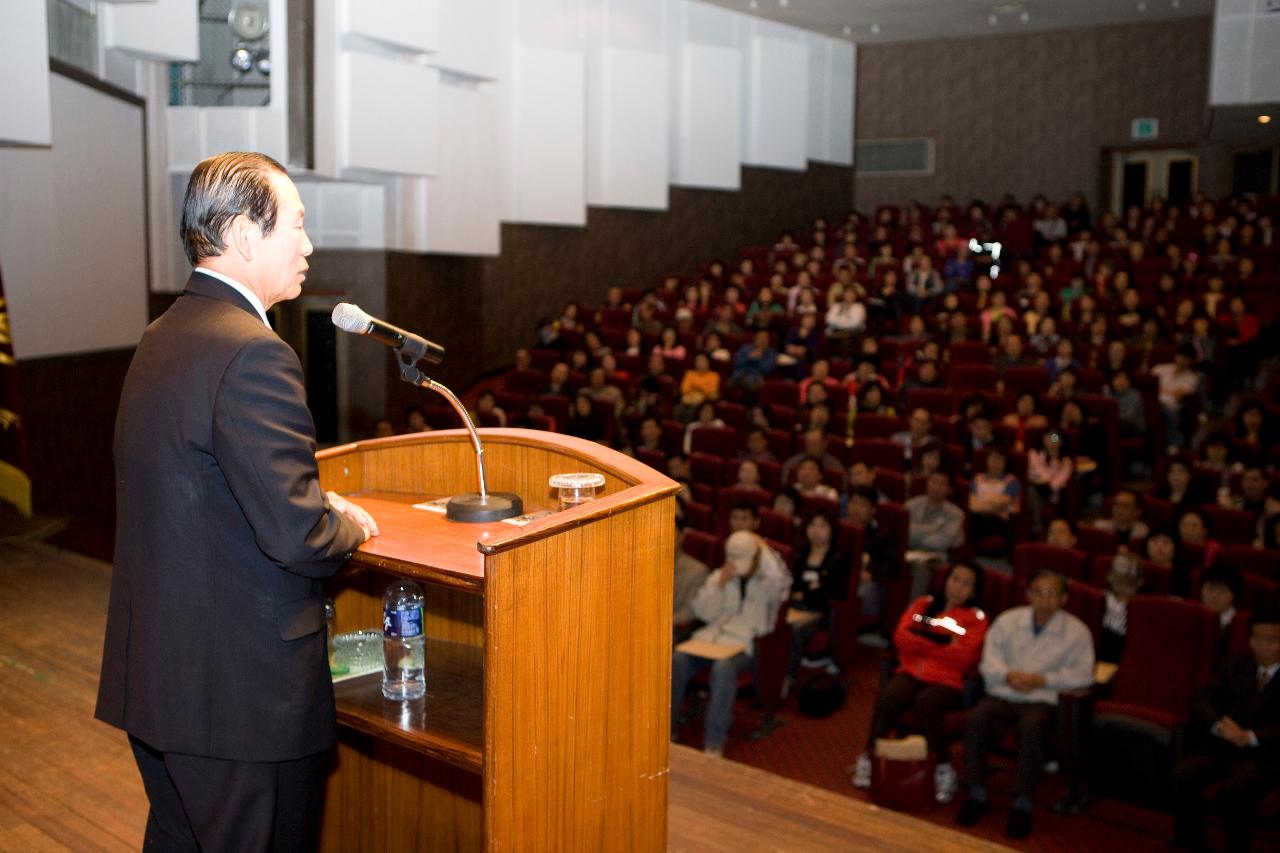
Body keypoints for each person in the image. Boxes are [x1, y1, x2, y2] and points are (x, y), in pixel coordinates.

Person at [96, 152, 379, 852]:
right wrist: (345, 523)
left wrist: (301, 504)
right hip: (240, 703)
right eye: (298, 227)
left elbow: (201, 495)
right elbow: (300, 538)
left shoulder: (161, 336)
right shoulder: (255, 351)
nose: (309, 247)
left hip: (162, 682)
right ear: (246, 237)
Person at [957, 570, 1094, 840]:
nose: (1044, 599)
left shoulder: (1077, 631)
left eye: (1052, 593)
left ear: (1064, 598)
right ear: (1028, 594)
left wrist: (1043, 680)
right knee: (977, 717)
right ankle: (977, 793)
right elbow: (989, 660)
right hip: (1003, 693)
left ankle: (1023, 803)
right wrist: (1008, 675)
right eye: (1038, 592)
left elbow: (1083, 675)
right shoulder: (1008, 621)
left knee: (1033, 728)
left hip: (1040, 699)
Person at [852, 563, 988, 804]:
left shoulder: (976, 619)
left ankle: (942, 768)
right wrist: (943, 643)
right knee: (889, 696)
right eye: (955, 579)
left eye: (966, 583)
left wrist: (924, 640)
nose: (958, 587)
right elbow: (901, 638)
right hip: (912, 671)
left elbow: (964, 657)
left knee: (926, 704)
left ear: (973, 591)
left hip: (948, 682)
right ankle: (869, 756)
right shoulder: (923, 605)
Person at [671, 531, 789, 757]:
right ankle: (669, 730)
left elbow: (779, 578)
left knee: (723, 668)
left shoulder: (768, 583)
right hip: (710, 639)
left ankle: (714, 742)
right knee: (678, 660)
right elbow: (703, 613)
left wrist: (761, 544)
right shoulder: (720, 575)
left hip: (744, 646)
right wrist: (718, 586)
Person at [1172, 612, 1280, 852]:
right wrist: (1219, 725)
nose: (1264, 646)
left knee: (1235, 791)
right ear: (1250, 640)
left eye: (1273, 640)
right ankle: (1191, 842)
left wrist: (1251, 737)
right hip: (1222, 746)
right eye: (1259, 638)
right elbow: (1202, 699)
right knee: (1184, 773)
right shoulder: (1234, 664)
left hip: (1264, 756)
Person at [786, 512, 850, 682]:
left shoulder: (838, 557)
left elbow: (834, 591)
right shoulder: (800, 554)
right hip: (795, 605)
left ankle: (787, 677)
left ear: (832, 531)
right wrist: (813, 589)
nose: (816, 531)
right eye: (812, 525)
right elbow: (792, 586)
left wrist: (807, 593)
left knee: (795, 629)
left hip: (821, 611)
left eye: (822, 526)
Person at [904, 471, 966, 600]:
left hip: (935, 557)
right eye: (933, 482)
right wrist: (932, 529)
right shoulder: (912, 505)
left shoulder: (955, 514)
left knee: (922, 569)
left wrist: (916, 532)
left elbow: (941, 543)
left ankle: (914, 613)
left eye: (941, 484)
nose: (936, 487)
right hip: (909, 552)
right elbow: (904, 533)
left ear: (949, 489)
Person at [1099, 554, 1144, 663]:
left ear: (1139, 583)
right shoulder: (1101, 598)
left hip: (1126, 653)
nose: (1122, 586)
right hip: (1101, 646)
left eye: (1127, 583)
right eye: (1118, 580)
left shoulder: (1142, 608)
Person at [674, 524, 709, 643]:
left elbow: (691, 611)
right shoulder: (646, 566)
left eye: (671, 532)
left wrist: (661, 624)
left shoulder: (697, 570)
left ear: (682, 536)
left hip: (676, 630)